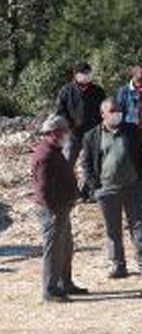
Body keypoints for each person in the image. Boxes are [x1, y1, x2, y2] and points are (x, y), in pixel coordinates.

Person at [82, 97, 142, 280]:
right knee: (112, 230)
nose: (117, 114)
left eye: (119, 110)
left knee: (139, 227)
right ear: (103, 114)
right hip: (107, 190)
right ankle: (118, 265)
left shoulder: (131, 130)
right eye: (112, 111)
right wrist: (94, 187)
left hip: (133, 187)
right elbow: (87, 164)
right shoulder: (91, 136)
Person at [32, 115, 85, 302]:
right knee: (54, 249)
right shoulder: (45, 155)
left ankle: (65, 283)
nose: (67, 135)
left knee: (66, 246)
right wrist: (53, 210)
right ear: (54, 133)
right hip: (52, 210)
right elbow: (43, 189)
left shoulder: (54, 150)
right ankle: (50, 290)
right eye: (65, 132)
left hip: (61, 207)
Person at [54, 61, 106, 169]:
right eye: (83, 73)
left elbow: (104, 111)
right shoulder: (66, 91)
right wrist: (71, 123)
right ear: (76, 75)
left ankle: (90, 185)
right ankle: (64, 184)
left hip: (93, 133)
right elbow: (60, 112)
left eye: (88, 73)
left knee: (95, 163)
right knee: (67, 161)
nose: (86, 76)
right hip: (73, 133)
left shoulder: (98, 91)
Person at [115, 63, 142, 131]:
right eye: (139, 79)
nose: (141, 82)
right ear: (133, 76)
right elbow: (119, 111)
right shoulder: (123, 91)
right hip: (129, 129)